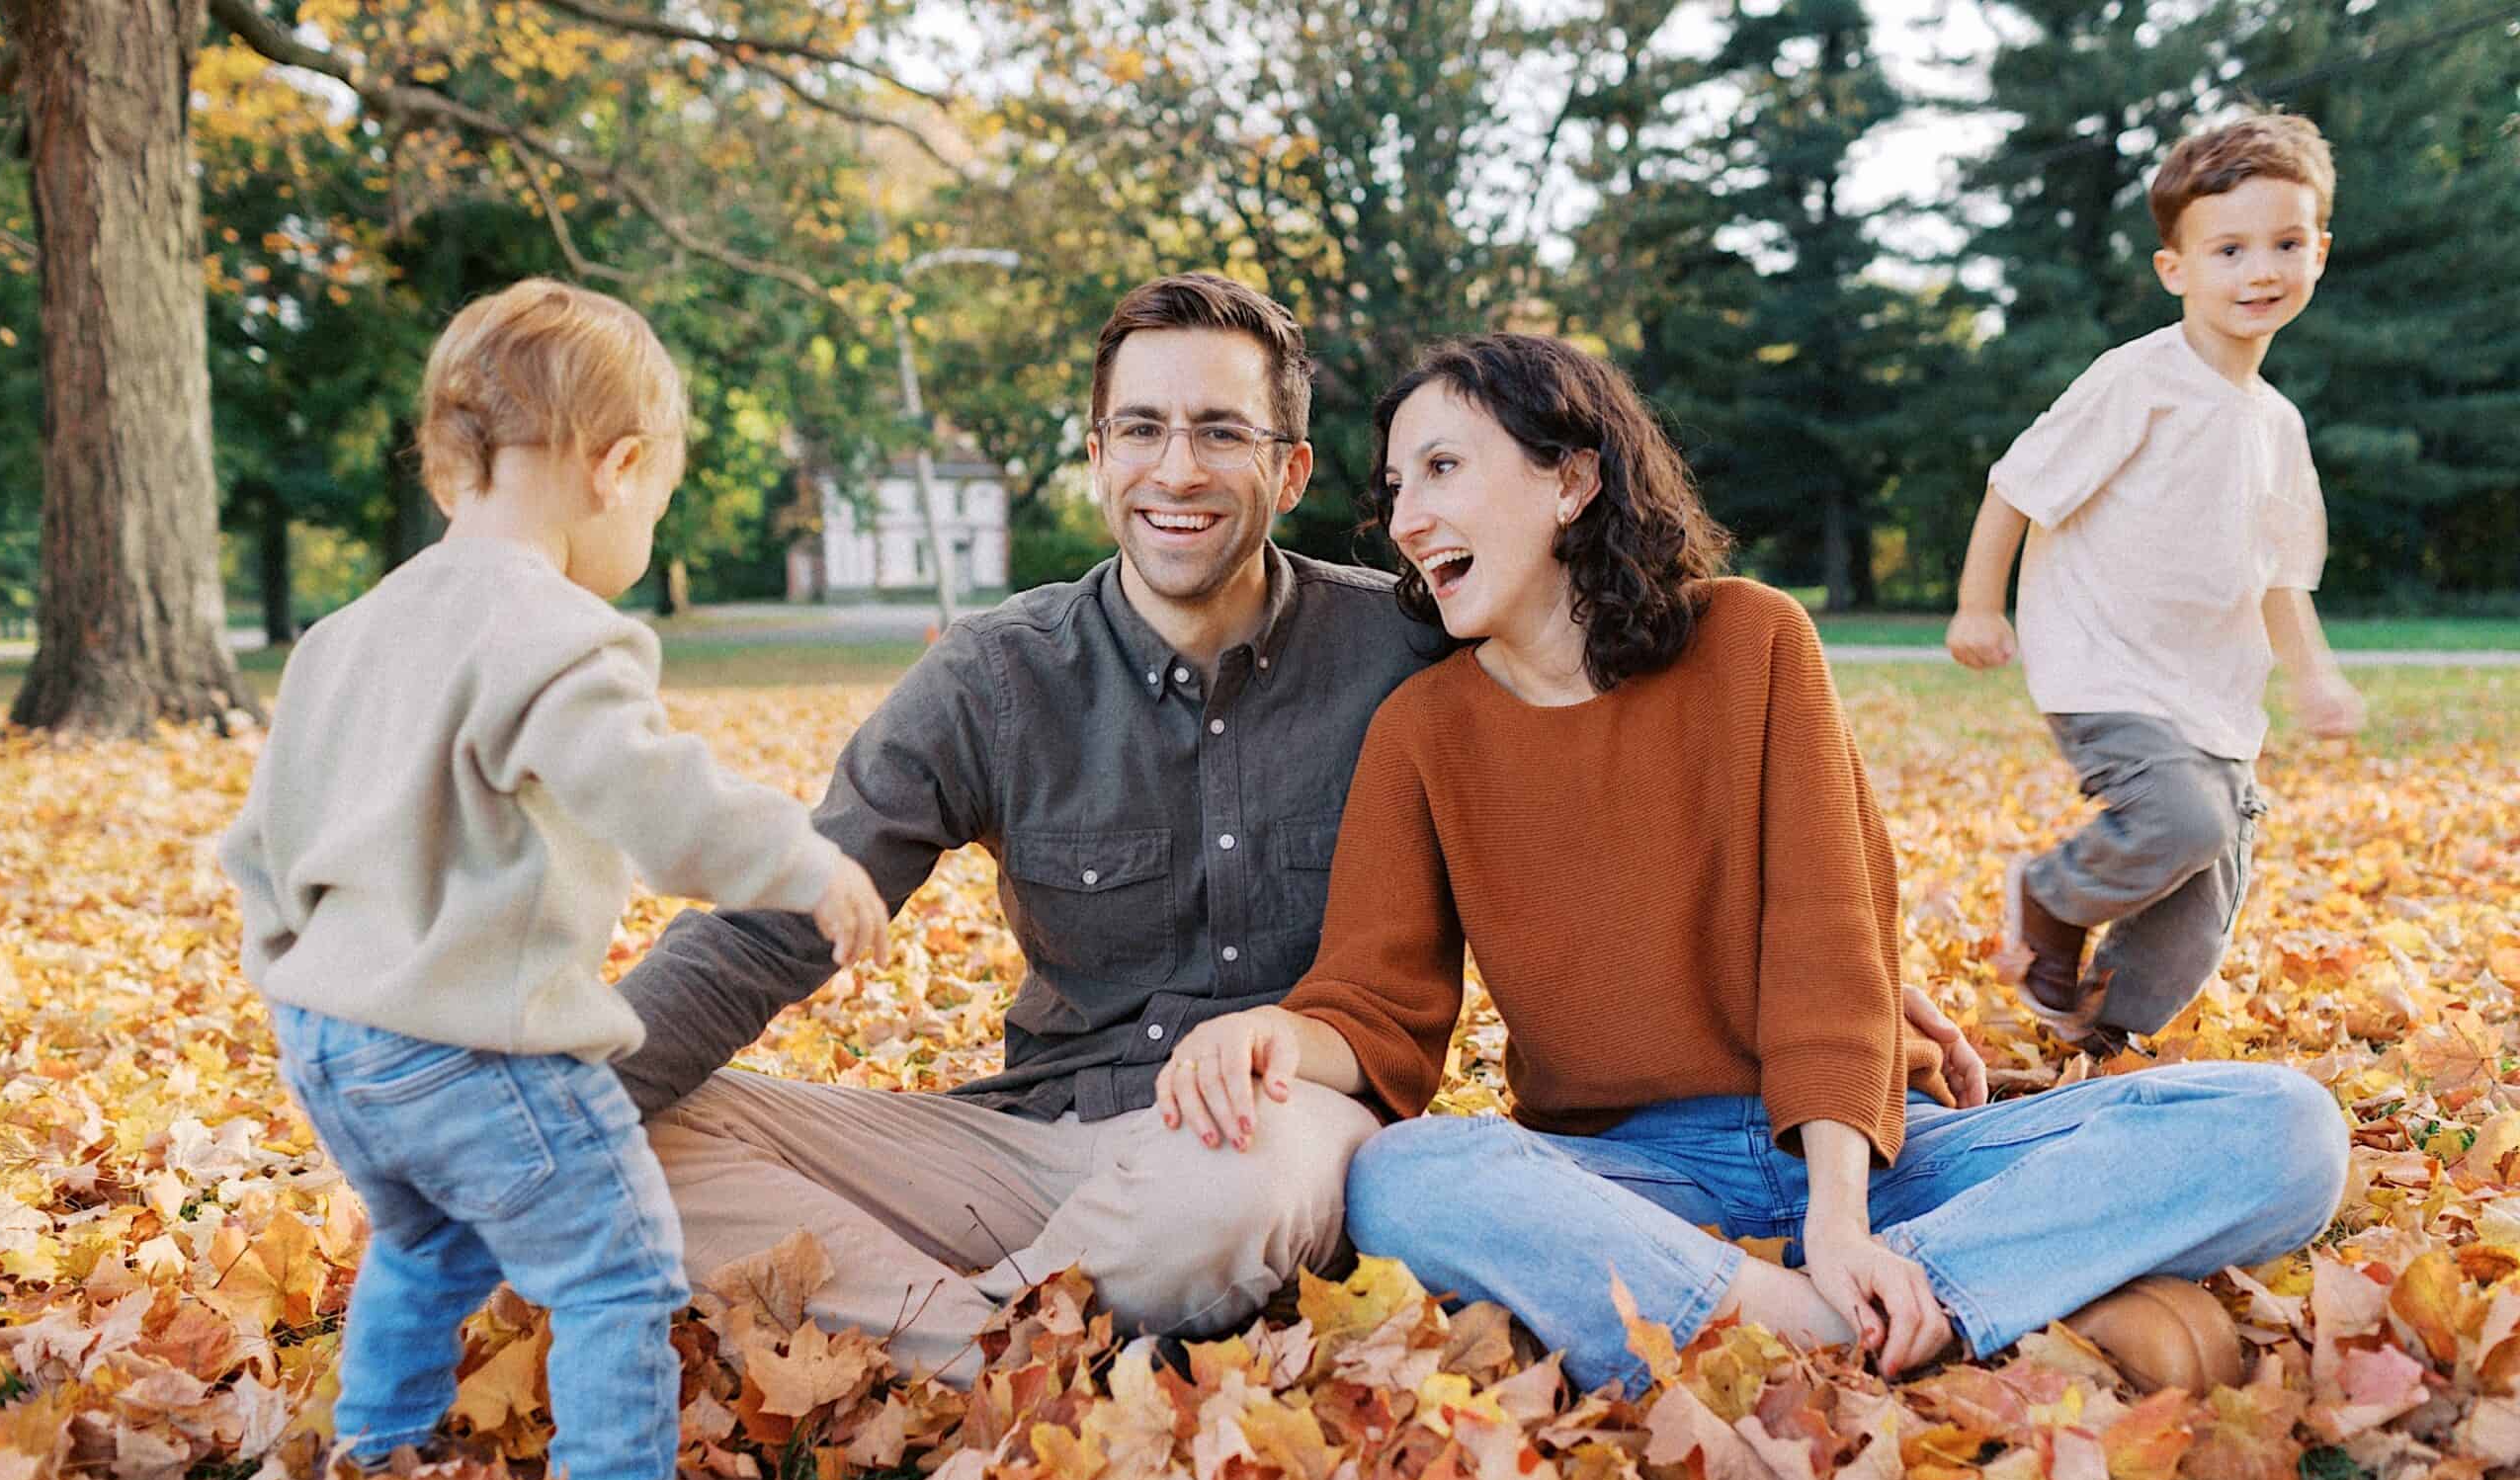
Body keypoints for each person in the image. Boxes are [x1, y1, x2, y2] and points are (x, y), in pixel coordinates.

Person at [610, 273, 1990, 1385]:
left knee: (1244, 1185)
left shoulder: (1411, 641)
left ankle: (958, 1333)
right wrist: (565, 1086)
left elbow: (1609, 760)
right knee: (620, 1144)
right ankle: (994, 1344)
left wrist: (1847, 987)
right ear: (1097, 455)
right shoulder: (998, 676)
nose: (1178, 468)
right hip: (1023, 1146)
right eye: (1141, 428)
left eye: (1221, 431)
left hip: (1265, 1138)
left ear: (1290, 465)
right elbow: (789, 914)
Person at [1156, 334, 2348, 1398]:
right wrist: (1271, 1032)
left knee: (2284, 1126)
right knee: (1406, 1178)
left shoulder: (1749, 639)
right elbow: (1375, 1000)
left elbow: (1832, 946)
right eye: (1397, 484)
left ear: (1571, 478)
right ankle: (1880, 1320)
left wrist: (1837, 1217)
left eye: (1444, 468)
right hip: (1634, 1172)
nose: (1406, 517)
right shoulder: (1422, 729)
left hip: (1872, 1146)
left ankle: (1796, 1311)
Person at [219, 279, 891, 1480]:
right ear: (616, 466)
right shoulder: (556, 633)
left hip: (331, 1038)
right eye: (657, 498)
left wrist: (300, 983)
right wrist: (800, 861)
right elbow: (659, 797)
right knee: (619, 1262)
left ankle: (374, 1462)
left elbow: (262, 845)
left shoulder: (346, 634)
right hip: (478, 1050)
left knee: (426, 1244)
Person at [1944, 113, 2364, 1050]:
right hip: (2109, 676)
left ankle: (2095, 1046)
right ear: (2175, 268)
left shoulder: (2278, 425)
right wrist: (1979, 605)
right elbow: (2014, 487)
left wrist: (2313, 675)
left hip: (2214, 703)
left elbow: (2281, 578)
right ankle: (2048, 897)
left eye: (2286, 244)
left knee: (2200, 914)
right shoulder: (2140, 382)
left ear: (2320, 254)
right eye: (2229, 249)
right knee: (2181, 820)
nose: (2261, 269)